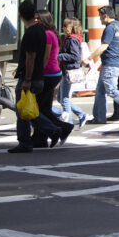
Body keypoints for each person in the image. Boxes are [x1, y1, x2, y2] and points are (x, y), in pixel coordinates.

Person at [10, 2, 64, 152]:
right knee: (29, 109)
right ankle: (51, 129)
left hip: (32, 77)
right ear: (34, 14)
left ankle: (29, 140)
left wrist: (27, 79)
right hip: (40, 75)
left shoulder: (31, 33)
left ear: (20, 15)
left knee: (23, 110)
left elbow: (30, 58)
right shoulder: (41, 31)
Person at [36, 9, 73, 146]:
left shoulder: (47, 34)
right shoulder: (52, 33)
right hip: (53, 73)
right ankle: (42, 137)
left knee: (40, 108)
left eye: (38, 18)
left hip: (48, 73)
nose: (35, 21)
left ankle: (61, 128)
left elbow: (45, 56)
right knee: (44, 107)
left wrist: (38, 72)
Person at [56, 17, 90, 130]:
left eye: (66, 26)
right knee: (60, 98)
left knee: (64, 98)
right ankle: (81, 114)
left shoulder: (72, 40)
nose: (63, 28)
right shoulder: (72, 38)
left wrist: (59, 56)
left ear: (73, 27)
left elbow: (74, 56)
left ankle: (69, 123)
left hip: (69, 70)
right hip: (67, 70)